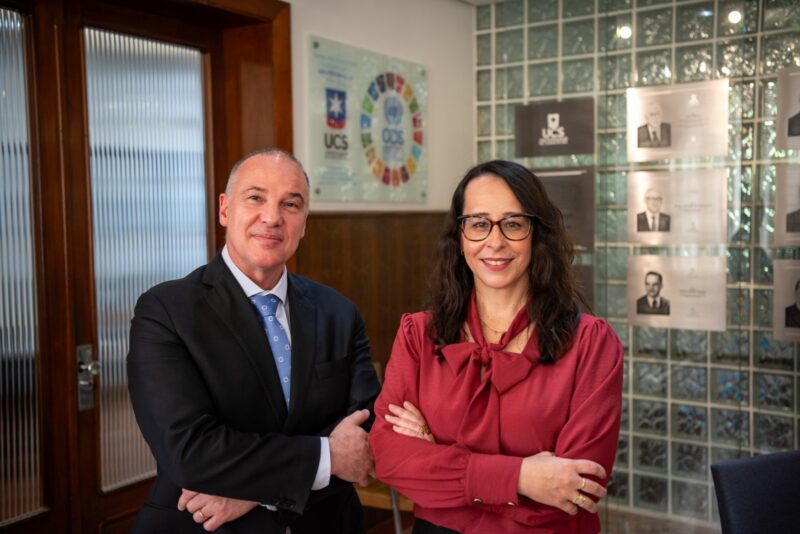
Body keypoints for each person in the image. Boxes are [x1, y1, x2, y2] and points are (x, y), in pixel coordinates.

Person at [127, 149, 381, 533]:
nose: (272, 217)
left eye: (290, 204)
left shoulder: (339, 312)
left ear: (304, 222)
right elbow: (190, 452)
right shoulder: (166, 311)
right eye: (255, 197)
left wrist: (253, 491)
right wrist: (326, 456)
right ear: (225, 209)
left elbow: (366, 435)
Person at [369, 160, 623, 533]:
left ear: (537, 234)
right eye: (479, 224)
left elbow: (577, 488)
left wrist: (438, 459)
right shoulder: (418, 335)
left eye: (513, 224)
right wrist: (522, 477)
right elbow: (390, 458)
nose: (495, 241)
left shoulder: (591, 344)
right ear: (459, 237)